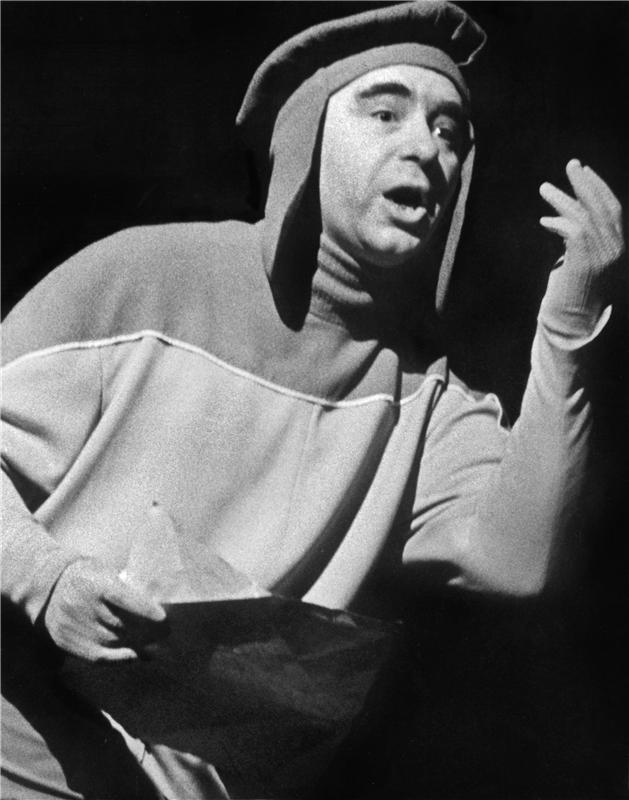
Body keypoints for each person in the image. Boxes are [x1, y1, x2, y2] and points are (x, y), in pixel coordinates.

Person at [1, 1, 625, 798]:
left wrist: (568, 330)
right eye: (385, 112)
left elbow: (518, 561)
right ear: (307, 136)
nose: (425, 147)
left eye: (449, 131)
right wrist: (46, 580)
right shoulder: (142, 278)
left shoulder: (428, 401)